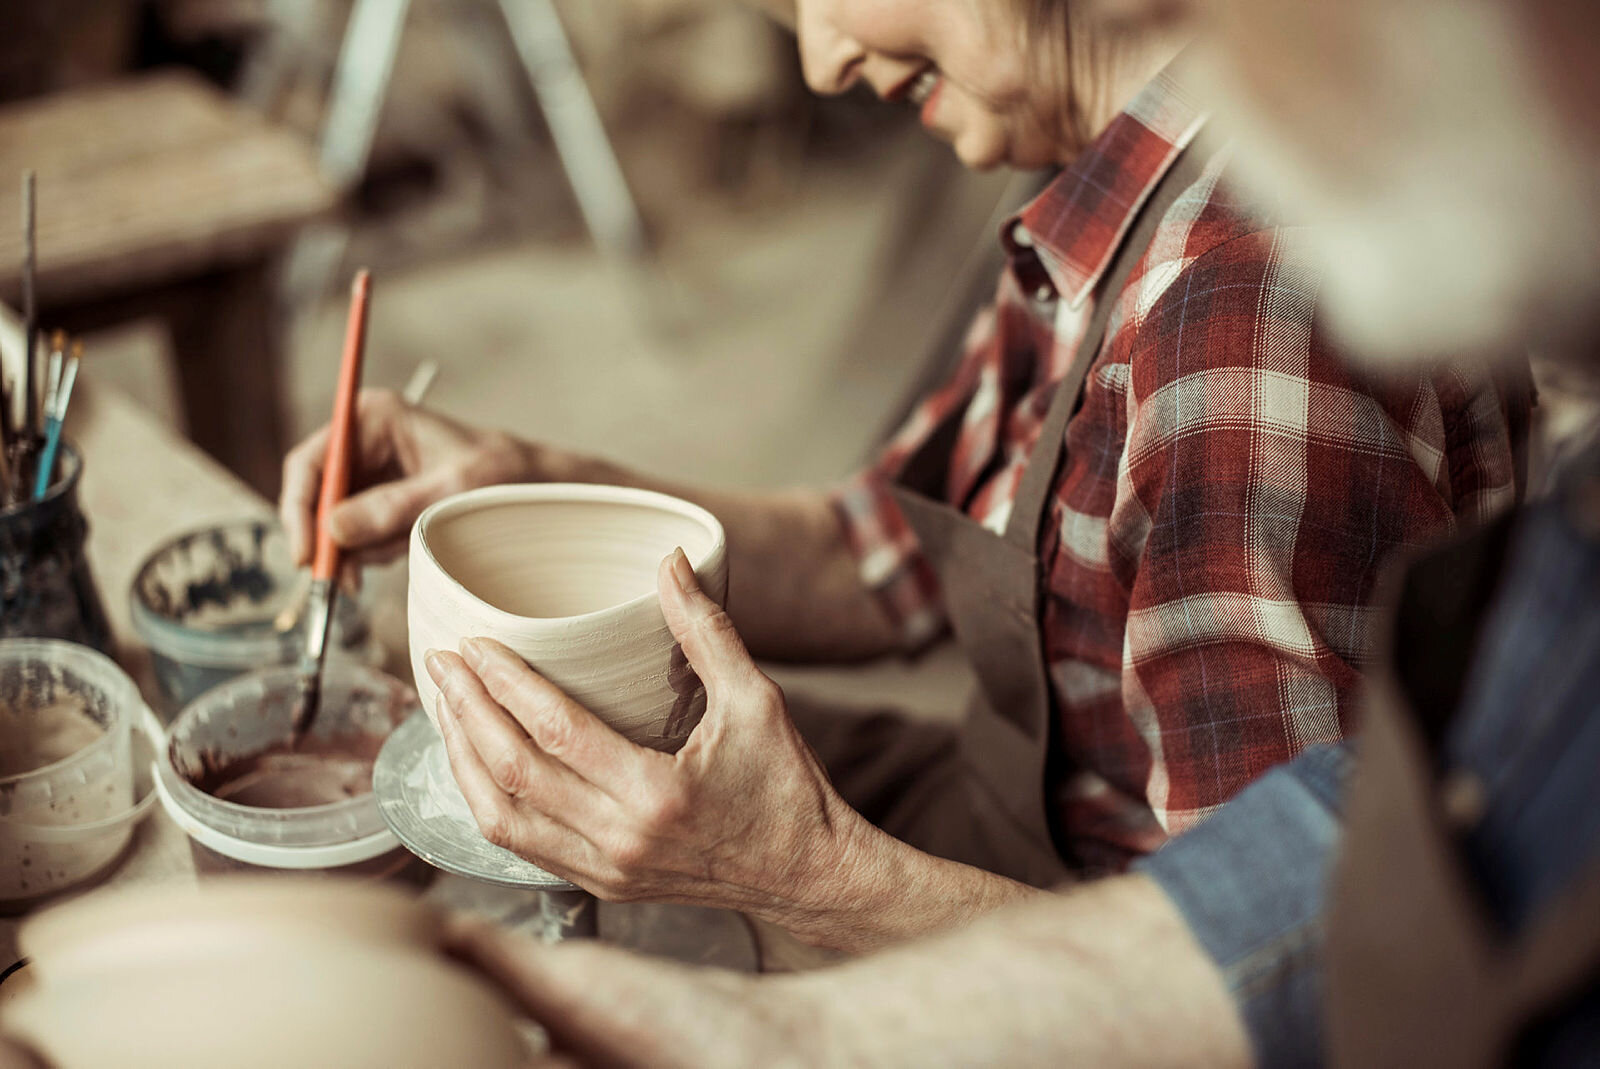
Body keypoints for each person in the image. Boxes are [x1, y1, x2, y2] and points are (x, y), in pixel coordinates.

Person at [431, 0, 1600, 1065]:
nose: (827, 61)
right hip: (1019, 813)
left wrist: (793, 872)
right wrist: (535, 481)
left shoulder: (1228, 325)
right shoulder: (1107, 185)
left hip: (1098, 929)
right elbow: (881, 555)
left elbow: (1303, 990)